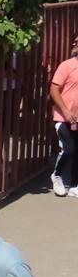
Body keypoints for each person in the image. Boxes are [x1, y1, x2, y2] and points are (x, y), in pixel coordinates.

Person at [49, 33, 78, 197]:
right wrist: (66, 111)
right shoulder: (66, 65)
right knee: (68, 149)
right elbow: (54, 90)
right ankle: (57, 175)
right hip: (63, 117)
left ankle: (75, 185)